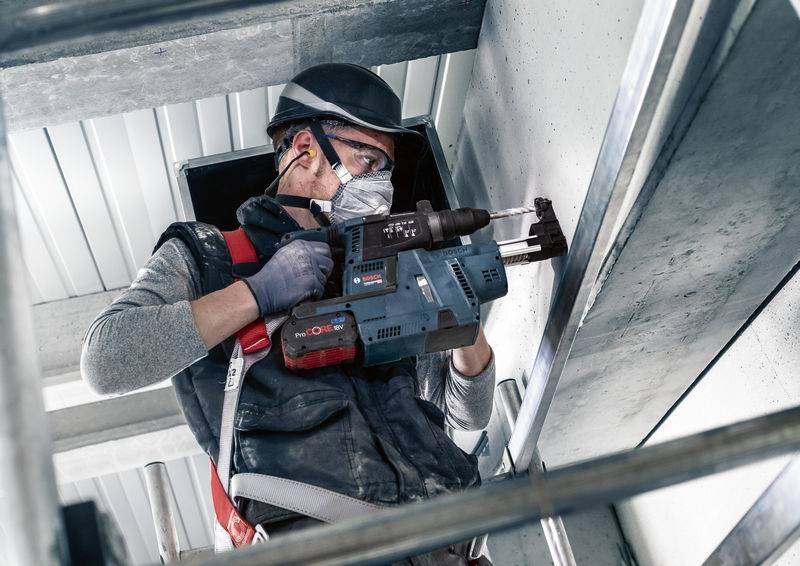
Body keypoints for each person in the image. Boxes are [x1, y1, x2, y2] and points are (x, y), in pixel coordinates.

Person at [81, 63, 495, 564]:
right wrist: (257, 292)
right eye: (369, 161)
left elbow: (464, 417)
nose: (382, 187)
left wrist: (462, 327)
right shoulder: (212, 256)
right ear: (304, 149)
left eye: (387, 171)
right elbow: (107, 361)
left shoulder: (387, 276)